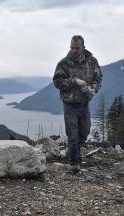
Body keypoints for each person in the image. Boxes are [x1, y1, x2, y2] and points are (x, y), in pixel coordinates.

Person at [53, 35, 102, 172]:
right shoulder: (64, 63)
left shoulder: (92, 61)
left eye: (77, 48)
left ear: (83, 47)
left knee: (85, 132)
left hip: (84, 103)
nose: (74, 50)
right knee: (73, 134)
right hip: (69, 104)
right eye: (72, 47)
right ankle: (75, 162)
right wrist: (75, 81)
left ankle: (72, 150)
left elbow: (98, 78)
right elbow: (57, 82)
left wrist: (94, 88)